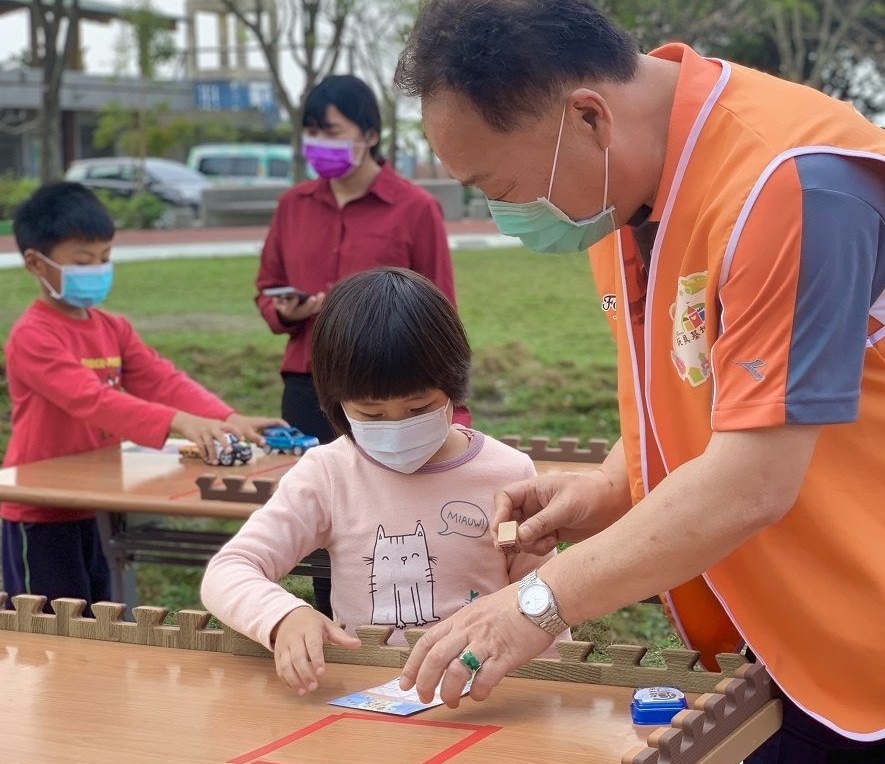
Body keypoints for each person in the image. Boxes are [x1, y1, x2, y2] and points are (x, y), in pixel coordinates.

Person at [389, 0, 885, 764]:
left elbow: (752, 477)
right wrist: (608, 486)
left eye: (500, 187)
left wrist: (537, 603)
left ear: (588, 116)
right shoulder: (618, 190)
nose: (498, 213)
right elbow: (705, 377)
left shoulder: (794, 186)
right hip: (818, 621)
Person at [203, 268, 557, 695]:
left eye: (418, 408)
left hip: (483, 694)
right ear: (335, 402)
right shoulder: (329, 474)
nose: (395, 425)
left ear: (453, 386)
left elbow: (541, 598)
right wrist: (283, 616)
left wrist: (547, 689)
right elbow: (229, 570)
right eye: (371, 414)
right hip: (367, 697)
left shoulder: (509, 473)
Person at [2, 182, 282, 608]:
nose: (97, 269)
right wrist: (178, 423)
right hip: (40, 509)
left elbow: (161, 380)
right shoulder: (32, 337)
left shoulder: (112, 327)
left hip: (99, 501)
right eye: (82, 261)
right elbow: (92, 399)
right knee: (46, 628)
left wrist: (229, 418)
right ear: (34, 263)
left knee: (101, 612)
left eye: (105, 258)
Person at [254, 74, 466, 618]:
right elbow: (266, 288)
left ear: (369, 133)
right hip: (309, 387)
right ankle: (333, 622)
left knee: (391, 509)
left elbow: (439, 307)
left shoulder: (414, 207)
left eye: (330, 130)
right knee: (325, 516)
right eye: (309, 133)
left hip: (391, 391)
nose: (317, 143)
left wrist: (451, 406)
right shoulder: (292, 206)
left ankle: (409, 621)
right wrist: (285, 310)